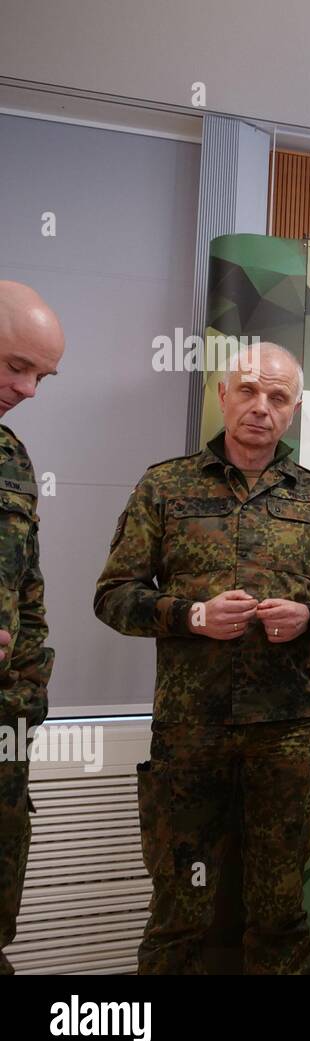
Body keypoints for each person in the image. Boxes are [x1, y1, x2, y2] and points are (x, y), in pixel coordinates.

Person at [93, 342, 310, 974]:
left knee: (279, 910)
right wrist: (192, 615)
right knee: (179, 913)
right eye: (248, 391)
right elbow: (113, 596)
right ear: (222, 395)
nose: (260, 408)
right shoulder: (165, 487)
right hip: (191, 734)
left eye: (277, 397)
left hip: (285, 734)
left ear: (293, 411)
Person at [0, 281, 64, 976]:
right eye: (17, 365)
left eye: (41, 375)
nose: (29, 388)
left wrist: (22, 703)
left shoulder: (11, 456)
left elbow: (29, 601)